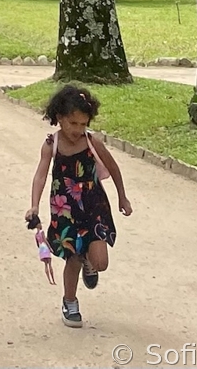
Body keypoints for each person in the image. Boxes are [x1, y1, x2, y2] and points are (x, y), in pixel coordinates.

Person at [26, 84, 132, 329]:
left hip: (94, 205)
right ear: (60, 118)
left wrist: (122, 197)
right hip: (65, 208)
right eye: (73, 123)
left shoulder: (92, 142)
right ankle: (70, 302)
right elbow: (40, 175)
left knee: (101, 263)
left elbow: (113, 168)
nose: (78, 130)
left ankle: (89, 262)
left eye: (83, 124)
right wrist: (34, 206)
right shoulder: (51, 144)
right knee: (72, 258)